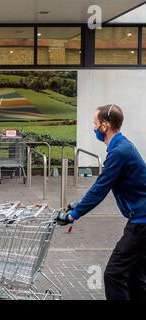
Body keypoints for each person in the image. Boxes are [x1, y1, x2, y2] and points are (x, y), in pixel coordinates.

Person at [55, 104, 146, 300]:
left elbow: (100, 188)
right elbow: (102, 187)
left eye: (95, 124)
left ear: (105, 126)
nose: (94, 128)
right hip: (140, 218)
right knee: (135, 275)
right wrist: (80, 203)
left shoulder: (119, 152)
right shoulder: (122, 147)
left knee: (114, 274)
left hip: (142, 222)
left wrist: (73, 215)